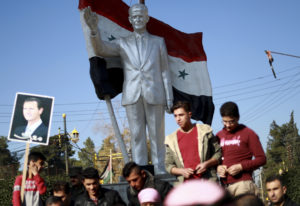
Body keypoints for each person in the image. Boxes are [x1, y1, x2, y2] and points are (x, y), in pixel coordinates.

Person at [83, 3, 173, 174]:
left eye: (141, 16)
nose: (138, 19)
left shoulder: (158, 42)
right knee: (137, 135)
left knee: (157, 135)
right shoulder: (123, 43)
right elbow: (101, 49)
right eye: (134, 17)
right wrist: (94, 31)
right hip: (132, 94)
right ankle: (139, 170)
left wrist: (169, 97)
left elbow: (164, 71)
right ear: (130, 20)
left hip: (155, 93)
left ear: (146, 18)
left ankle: (160, 168)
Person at [216, 101, 266, 196]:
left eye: (231, 121)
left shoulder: (248, 133)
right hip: (224, 187)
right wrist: (218, 167)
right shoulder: (218, 136)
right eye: (224, 121)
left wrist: (241, 166)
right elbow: (213, 160)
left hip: (243, 185)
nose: (227, 125)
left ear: (238, 118)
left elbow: (262, 159)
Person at [164, 101, 221, 185]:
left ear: (189, 114)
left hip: (207, 183)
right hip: (184, 188)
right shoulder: (171, 139)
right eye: (175, 116)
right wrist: (181, 171)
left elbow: (218, 153)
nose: (178, 119)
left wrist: (206, 164)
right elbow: (168, 165)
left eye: (181, 115)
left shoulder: (205, 131)